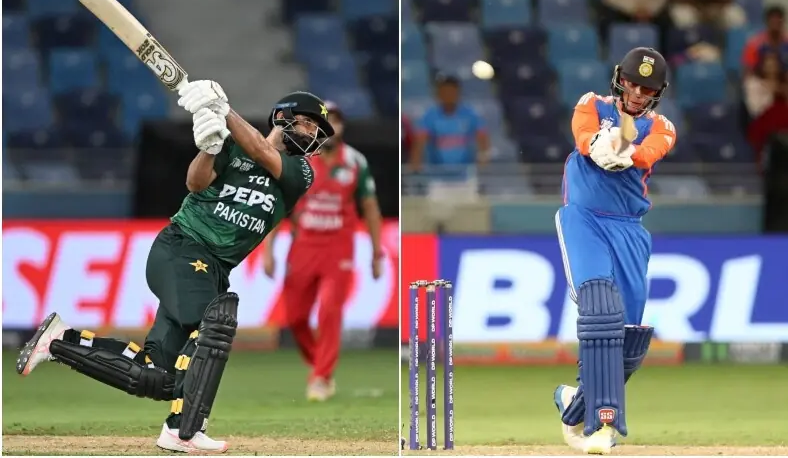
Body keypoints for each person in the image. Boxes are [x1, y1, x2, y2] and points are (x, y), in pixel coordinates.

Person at [15, 82, 333, 453]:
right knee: (216, 322)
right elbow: (195, 183)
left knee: (159, 375)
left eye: (317, 131)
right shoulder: (231, 147)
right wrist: (209, 147)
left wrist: (223, 111)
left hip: (212, 268)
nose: (313, 135)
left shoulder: (302, 172)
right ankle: (185, 431)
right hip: (182, 248)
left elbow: (261, 149)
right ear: (284, 116)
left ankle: (58, 342)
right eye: (309, 123)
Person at [551, 47, 677, 454]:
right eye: (633, 83)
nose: (638, 93)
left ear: (658, 92)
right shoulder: (590, 104)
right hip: (585, 219)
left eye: (648, 88)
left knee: (629, 342)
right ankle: (604, 427)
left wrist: (623, 149)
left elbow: (641, 155)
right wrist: (608, 142)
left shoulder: (663, 128)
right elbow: (588, 144)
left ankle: (574, 405)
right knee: (601, 311)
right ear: (620, 78)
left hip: (629, 230)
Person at [262, 101, 384, 402]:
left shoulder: (355, 161)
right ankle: (321, 366)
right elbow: (280, 206)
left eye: (337, 121)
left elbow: (369, 208)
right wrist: (268, 249)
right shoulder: (297, 159)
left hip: (338, 248)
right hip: (302, 246)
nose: (332, 127)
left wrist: (377, 253)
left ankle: (321, 376)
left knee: (330, 310)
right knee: (296, 318)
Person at [409, 75, 490, 172]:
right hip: (437, 174)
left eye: (451, 92)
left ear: (458, 93)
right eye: (445, 92)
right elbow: (420, 141)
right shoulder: (429, 116)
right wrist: (416, 162)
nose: (448, 96)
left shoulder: (470, 114)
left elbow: (482, 137)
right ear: (438, 94)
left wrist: (483, 158)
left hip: (466, 173)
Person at [742, 5, 788, 76]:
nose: (775, 22)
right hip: (761, 81)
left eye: (778, 19)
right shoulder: (754, 43)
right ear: (766, 21)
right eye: (772, 19)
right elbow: (748, 68)